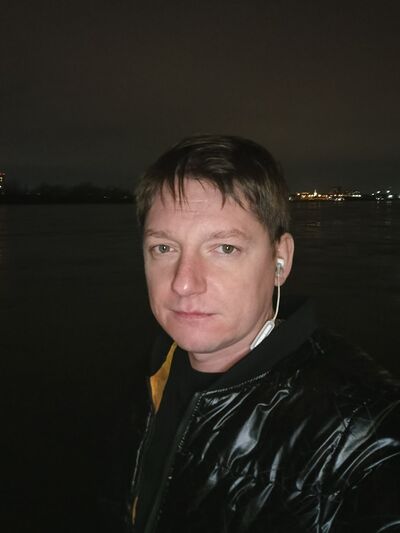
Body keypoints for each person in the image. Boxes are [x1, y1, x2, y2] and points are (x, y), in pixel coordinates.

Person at [126, 135, 400, 532]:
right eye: (164, 248)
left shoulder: (366, 433)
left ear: (280, 260)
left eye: (225, 248)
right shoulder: (154, 371)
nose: (184, 283)